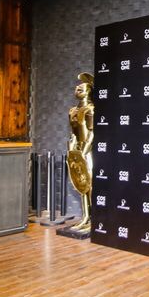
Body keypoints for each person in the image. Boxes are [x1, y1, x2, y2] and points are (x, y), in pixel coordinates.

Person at [67, 72, 95, 231]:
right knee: (81, 184)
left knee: (90, 185)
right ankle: (85, 217)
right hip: (76, 149)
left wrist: (84, 151)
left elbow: (92, 133)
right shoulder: (72, 111)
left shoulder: (90, 109)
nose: (77, 89)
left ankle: (93, 220)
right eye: (76, 88)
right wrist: (72, 149)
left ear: (89, 91)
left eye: (81, 88)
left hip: (88, 151)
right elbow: (73, 133)